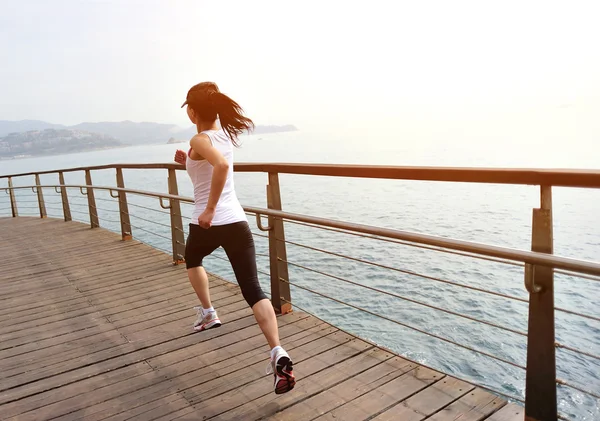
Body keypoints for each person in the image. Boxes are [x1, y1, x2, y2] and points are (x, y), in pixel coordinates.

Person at [173, 82, 295, 395]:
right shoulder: (225, 135)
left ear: (193, 111)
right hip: (237, 221)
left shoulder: (198, 138)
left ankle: (209, 312)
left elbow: (221, 165)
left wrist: (210, 210)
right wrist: (185, 160)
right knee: (252, 288)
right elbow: (213, 161)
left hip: (208, 222)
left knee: (193, 258)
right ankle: (277, 351)